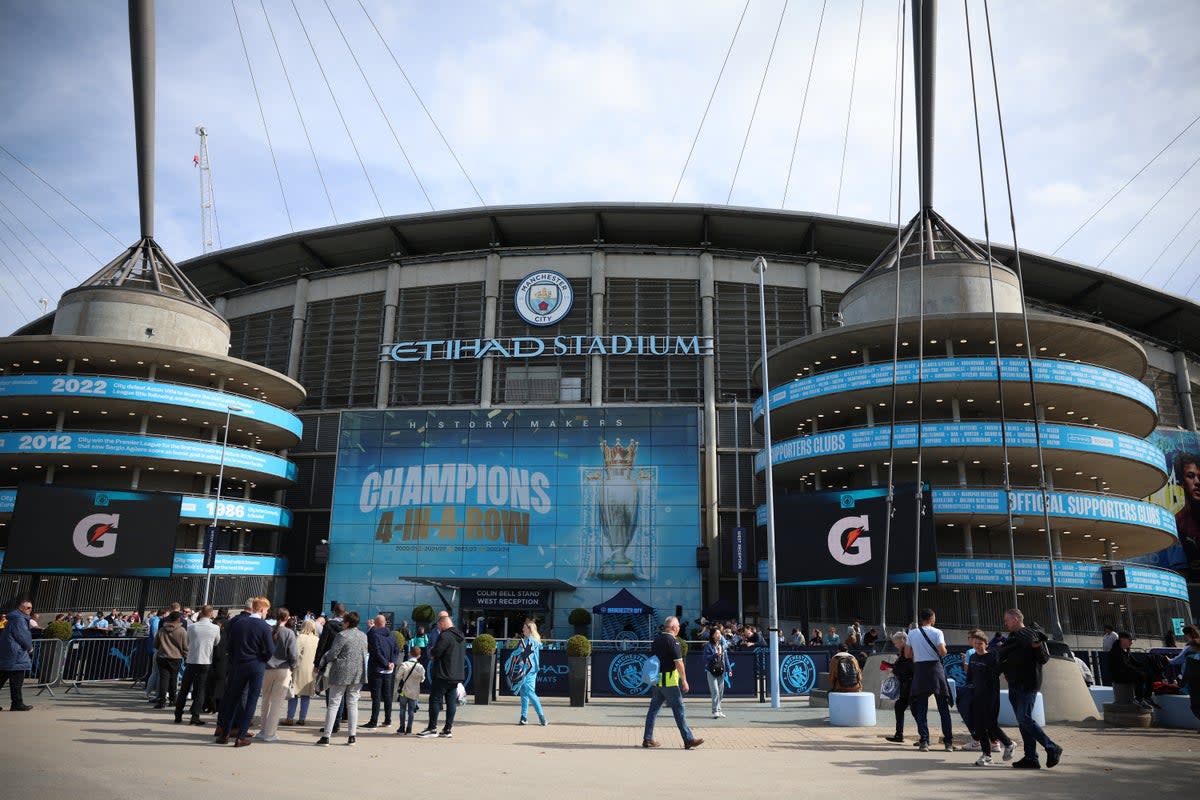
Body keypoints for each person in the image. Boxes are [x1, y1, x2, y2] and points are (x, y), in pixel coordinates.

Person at [997, 608, 1062, 769]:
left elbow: (1044, 658)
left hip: (1027, 684)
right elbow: (1007, 657)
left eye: (1007, 620)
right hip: (1014, 683)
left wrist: (1037, 646)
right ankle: (1031, 757)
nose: (1005, 623)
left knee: (1024, 718)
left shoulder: (1031, 634)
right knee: (1022, 721)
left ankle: (1052, 747)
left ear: (1017, 618)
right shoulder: (1012, 637)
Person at [215, 597, 273, 748]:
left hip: (238, 665)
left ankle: (225, 733)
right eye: (266, 610)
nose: (267, 613)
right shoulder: (264, 626)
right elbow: (270, 650)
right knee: (251, 701)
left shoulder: (238, 623)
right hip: (256, 666)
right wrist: (262, 659)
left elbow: (229, 646)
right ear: (261, 610)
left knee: (232, 699)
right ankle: (241, 736)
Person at [642, 616, 703, 750]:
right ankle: (688, 739)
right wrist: (685, 681)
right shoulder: (673, 641)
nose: (679, 629)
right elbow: (679, 663)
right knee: (679, 710)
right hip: (670, 683)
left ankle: (647, 739)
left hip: (657, 681)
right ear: (674, 628)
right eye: (679, 627)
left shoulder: (656, 640)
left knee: (653, 710)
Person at [962, 629, 1015, 766]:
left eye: (980, 643)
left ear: (986, 644)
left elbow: (997, 676)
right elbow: (970, 677)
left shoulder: (991, 658)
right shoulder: (973, 657)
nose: (977, 646)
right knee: (979, 727)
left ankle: (1008, 743)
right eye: (975, 643)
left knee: (990, 725)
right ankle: (987, 755)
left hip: (990, 697)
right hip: (977, 696)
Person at [905, 608, 954, 752]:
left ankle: (924, 741)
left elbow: (907, 654)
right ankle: (948, 743)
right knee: (943, 708)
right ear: (932, 618)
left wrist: (919, 651)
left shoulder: (912, 633)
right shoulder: (938, 632)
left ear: (921, 619)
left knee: (921, 708)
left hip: (920, 670)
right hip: (935, 670)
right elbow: (942, 652)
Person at [316, 611, 369, 746]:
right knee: (353, 704)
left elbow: (333, 654)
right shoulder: (363, 635)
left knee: (334, 704)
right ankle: (352, 736)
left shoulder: (342, 635)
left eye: (343, 622)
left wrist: (324, 659)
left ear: (347, 623)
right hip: (358, 673)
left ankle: (326, 736)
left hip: (341, 672)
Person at [417, 612, 465, 738]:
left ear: (443, 623)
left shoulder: (445, 636)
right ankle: (448, 729)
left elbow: (436, 652)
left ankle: (432, 728)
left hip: (443, 673)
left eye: (438, 625)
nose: (438, 628)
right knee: (451, 702)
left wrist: (432, 650)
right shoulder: (461, 636)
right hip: (456, 674)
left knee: (435, 700)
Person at [258, 607, 298, 743]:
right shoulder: (289, 633)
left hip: (267, 668)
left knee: (265, 700)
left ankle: (263, 730)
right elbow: (293, 654)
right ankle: (270, 733)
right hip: (283, 668)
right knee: (277, 702)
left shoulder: (269, 631)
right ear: (287, 618)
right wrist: (292, 667)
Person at [175, 605, 220, 726]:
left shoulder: (192, 627)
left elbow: (187, 641)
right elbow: (217, 642)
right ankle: (195, 716)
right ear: (210, 614)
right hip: (205, 660)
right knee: (200, 690)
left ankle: (178, 714)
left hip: (192, 659)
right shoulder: (215, 628)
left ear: (201, 613)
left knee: (184, 688)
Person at [364, 614, 400, 729]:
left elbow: (376, 651)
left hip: (378, 669)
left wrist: (386, 663)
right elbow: (396, 650)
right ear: (385, 623)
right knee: (387, 696)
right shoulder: (392, 635)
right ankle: (387, 720)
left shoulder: (374, 634)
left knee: (376, 697)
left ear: (376, 623)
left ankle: (373, 722)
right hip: (389, 671)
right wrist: (392, 663)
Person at [0, 598, 35, 711]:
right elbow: (22, 635)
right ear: (21, 608)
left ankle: (17, 703)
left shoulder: (15, 618)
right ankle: (17, 703)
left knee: (4, 678)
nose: (30, 610)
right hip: (16, 654)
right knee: (16, 681)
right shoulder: (19, 619)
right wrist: (29, 646)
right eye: (28, 607)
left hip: (10, 653)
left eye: (31, 607)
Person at [512, 619, 547, 726]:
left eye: (524, 627)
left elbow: (528, 655)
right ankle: (524, 717)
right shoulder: (525, 641)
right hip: (523, 670)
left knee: (530, 693)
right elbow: (518, 654)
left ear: (529, 629)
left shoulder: (533, 642)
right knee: (523, 693)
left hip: (530, 671)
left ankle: (542, 717)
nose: (522, 629)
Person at [285, 619, 319, 726]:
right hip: (311, 670)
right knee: (306, 695)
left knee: (293, 694)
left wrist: (291, 667)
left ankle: (290, 718)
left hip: (299, 668)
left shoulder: (300, 637)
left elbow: (295, 654)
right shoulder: (317, 639)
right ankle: (302, 718)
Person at [1108, 631, 1154, 709]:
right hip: (1119, 676)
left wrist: (1146, 664)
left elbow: (1135, 662)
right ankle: (1139, 699)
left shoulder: (1126, 650)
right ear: (1122, 640)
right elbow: (1124, 665)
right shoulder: (1115, 651)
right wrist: (1138, 670)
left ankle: (1146, 697)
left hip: (1126, 672)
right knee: (1140, 675)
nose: (1131, 642)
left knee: (1149, 674)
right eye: (1130, 640)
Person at [883, 631, 914, 743]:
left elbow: (908, 668)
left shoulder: (908, 651)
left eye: (896, 643)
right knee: (900, 707)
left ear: (902, 640)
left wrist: (893, 670)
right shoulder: (904, 651)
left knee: (915, 710)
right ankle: (899, 734)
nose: (895, 645)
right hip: (906, 685)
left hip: (910, 685)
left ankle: (924, 737)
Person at [153, 611, 188, 709]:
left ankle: (161, 701)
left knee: (163, 679)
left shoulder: (162, 630)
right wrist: (185, 656)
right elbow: (185, 646)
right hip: (175, 657)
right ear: (178, 619)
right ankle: (173, 699)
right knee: (173, 679)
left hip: (162, 656)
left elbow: (155, 644)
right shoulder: (182, 631)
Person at [1169, 624, 1200, 725]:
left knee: (1195, 705)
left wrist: (1168, 660)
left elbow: (1179, 662)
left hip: (1193, 683)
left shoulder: (1189, 652)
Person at [395, 645, 426, 735]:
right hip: (414, 692)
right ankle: (409, 728)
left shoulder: (404, 665)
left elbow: (397, 677)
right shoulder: (420, 667)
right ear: (419, 656)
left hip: (404, 691)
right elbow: (422, 679)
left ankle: (401, 728)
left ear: (409, 654)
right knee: (411, 711)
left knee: (402, 709)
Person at [703, 626, 730, 719]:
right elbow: (705, 658)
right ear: (712, 635)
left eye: (720, 633)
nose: (719, 635)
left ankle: (719, 710)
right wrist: (715, 654)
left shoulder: (722, 645)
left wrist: (729, 669)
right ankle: (715, 711)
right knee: (715, 691)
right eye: (717, 633)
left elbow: (726, 658)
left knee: (721, 692)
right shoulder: (708, 646)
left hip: (721, 671)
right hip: (711, 670)